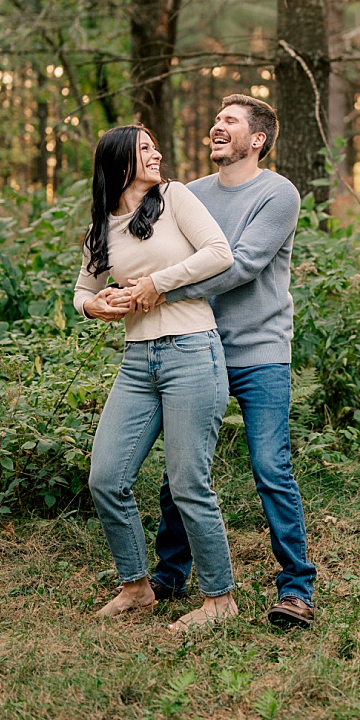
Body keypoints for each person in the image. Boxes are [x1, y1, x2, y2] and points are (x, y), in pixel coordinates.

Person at [126, 95, 317, 629]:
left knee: (270, 467)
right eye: (216, 119)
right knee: (180, 471)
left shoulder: (278, 194)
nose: (216, 125)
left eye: (229, 121)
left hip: (259, 351)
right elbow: (162, 255)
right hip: (193, 345)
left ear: (257, 139)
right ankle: (170, 574)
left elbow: (244, 265)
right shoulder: (191, 193)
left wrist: (159, 292)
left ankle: (297, 587)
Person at [74, 125, 237, 632]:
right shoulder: (104, 224)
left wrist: (156, 284)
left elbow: (219, 253)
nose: (156, 153)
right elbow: (83, 289)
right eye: (144, 148)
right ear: (119, 160)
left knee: (189, 482)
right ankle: (136, 586)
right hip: (137, 361)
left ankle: (219, 599)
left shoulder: (175, 197)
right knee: (106, 477)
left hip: (192, 351)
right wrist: (95, 306)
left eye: (154, 145)